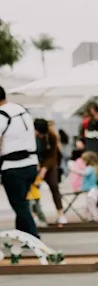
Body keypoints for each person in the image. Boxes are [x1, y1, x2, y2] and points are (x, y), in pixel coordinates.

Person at [0, 85, 41, 238]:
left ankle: (34, 236)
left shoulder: (2, 114)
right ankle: (22, 236)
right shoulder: (22, 110)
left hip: (13, 166)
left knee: (20, 205)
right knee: (22, 202)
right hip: (31, 164)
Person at [33, 118, 66, 224]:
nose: (40, 136)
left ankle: (61, 214)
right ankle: (35, 214)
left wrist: (44, 168)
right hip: (35, 162)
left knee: (54, 186)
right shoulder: (29, 136)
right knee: (33, 189)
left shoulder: (52, 136)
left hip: (49, 163)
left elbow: (53, 155)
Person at [79, 151, 98, 222]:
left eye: (84, 160)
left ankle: (96, 218)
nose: (82, 162)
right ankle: (91, 218)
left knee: (91, 205)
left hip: (92, 190)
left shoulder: (89, 168)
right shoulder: (94, 168)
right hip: (94, 190)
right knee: (90, 206)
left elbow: (84, 173)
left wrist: (74, 169)